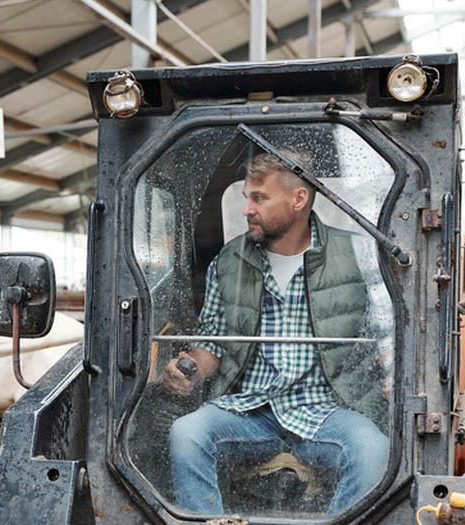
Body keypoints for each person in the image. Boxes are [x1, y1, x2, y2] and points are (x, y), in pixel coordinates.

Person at [164, 151, 390, 515]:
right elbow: (213, 342)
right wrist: (187, 367)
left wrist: (391, 375)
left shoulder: (358, 253)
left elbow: (386, 332)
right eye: (246, 198)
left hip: (328, 410)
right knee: (186, 433)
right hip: (252, 410)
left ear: (298, 199)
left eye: (259, 198)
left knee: (373, 450)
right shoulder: (230, 260)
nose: (247, 210)